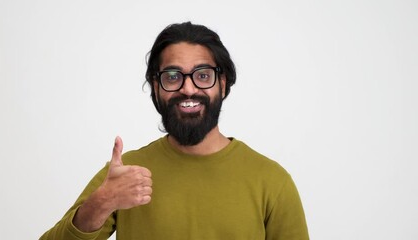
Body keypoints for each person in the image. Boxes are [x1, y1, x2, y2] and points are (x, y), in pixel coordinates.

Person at [40, 22, 309, 240]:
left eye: (203, 75)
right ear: (155, 87)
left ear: (223, 83)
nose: (188, 89)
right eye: (172, 77)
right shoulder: (126, 173)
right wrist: (101, 203)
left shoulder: (272, 181)